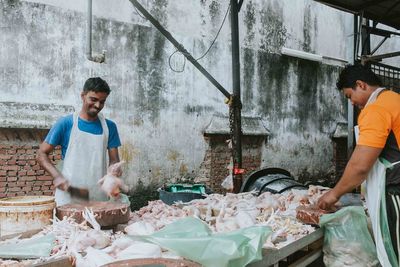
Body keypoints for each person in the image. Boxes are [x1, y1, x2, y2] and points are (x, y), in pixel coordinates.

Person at [318, 64, 400, 263]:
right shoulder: (394, 99)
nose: (352, 103)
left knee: (395, 253)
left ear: (360, 85)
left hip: (395, 191)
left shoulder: (376, 109)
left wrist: (334, 194)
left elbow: (360, 165)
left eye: (349, 96)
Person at [37, 77, 122, 206]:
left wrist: (113, 172)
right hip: (69, 198)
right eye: (93, 100)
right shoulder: (66, 123)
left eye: (102, 101)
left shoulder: (109, 127)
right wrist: (57, 176)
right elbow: (41, 154)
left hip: (98, 197)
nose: (98, 105)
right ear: (83, 96)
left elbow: (114, 160)